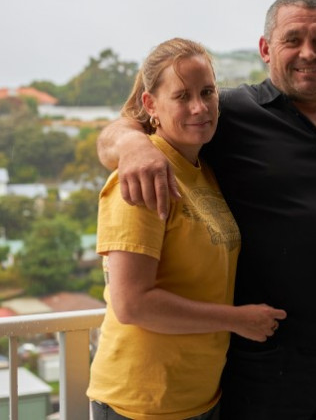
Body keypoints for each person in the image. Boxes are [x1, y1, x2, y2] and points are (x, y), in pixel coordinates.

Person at [96, 0, 316, 419]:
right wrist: (134, 145)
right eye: (293, 40)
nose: (309, 53)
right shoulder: (226, 111)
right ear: (266, 49)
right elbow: (117, 132)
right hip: (259, 360)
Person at [87, 38, 286, 420]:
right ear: (151, 105)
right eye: (182, 96)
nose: (199, 107)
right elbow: (132, 304)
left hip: (199, 397)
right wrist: (237, 319)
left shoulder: (201, 170)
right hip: (143, 402)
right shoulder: (141, 175)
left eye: (207, 92)